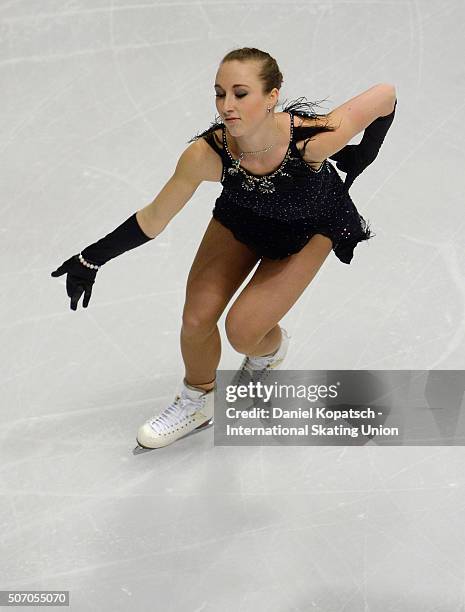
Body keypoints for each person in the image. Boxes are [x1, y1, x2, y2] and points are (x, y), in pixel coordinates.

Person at [51, 47, 397, 450]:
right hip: (242, 217)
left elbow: (385, 94)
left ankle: (269, 354)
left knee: (244, 332)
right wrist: (91, 258)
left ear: (272, 96)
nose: (226, 106)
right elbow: (154, 218)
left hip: (309, 227)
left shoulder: (312, 141)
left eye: (240, 93)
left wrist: (366, 153)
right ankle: (198, 400)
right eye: (220, 94)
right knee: (196, 319)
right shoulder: (207, 155)